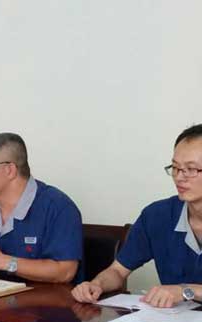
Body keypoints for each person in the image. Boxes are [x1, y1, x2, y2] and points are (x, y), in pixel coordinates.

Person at [72, 124, 202, 307]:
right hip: (174, 321)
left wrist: (186, 291)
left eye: (191, 169)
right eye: (175, 167)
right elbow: (118, 271)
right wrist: (96, 284)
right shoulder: (157, 216)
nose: (179, 177)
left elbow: (184, 291)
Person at [0, 132, 83, 283]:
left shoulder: (58, 207)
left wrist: (4, 262)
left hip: (43, 297)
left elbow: (65, 272)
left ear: (9, 170)